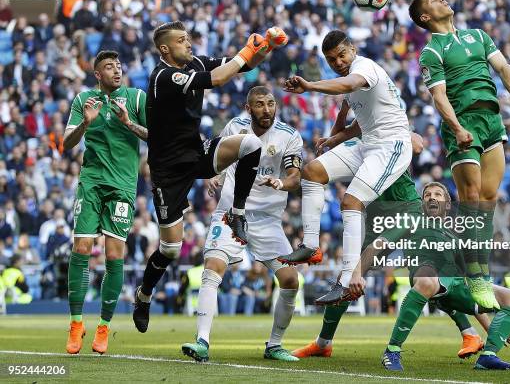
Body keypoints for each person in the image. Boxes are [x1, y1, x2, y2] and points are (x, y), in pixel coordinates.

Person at [291, 106, 491, 363]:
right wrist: (342, 113)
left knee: (426, 272)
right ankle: (323, 343)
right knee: (352, 274)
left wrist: (403, 132)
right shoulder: (355, 147)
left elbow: (417, 145)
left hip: (408, 210)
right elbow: (335, 140)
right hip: (378, 217)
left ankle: (469, 332)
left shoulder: (390, 136)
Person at [132, 21, 288, 332]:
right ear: (165, 48)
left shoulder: (194, 62)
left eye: (188, 38)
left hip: (196, 152)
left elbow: (241, 66)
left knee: (251, 144)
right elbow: (218, 78)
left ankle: (238, 213)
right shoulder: (163, 75)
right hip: (168, 170)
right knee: (171, 249)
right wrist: (248, 50)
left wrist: (265, 47)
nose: (188, 44)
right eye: (181, 40)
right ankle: (144, 294)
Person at [409, 0, 510, 310]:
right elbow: (439, 96)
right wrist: (457, 127)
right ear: (425, 17)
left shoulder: (478, 35)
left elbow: (504, 69)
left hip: (492, 119)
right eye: (434, 0)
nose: (443, 0)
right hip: (462, 123)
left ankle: (478, 271)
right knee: (471, 197)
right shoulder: (431, 52)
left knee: (489, 199)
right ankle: (476, 275)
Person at [279, 30, 413, 305]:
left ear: (352, 49)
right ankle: (312, 246)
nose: (338, 61)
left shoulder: (364, 67)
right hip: (368, 142)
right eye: (331, 59)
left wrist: (311, 86)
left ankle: (347, 281)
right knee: (312, 171)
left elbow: (347, 85)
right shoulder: (350, 81)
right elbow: (358, 120)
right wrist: (336, 136)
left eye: (341, 55)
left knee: (351, 201)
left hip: (392, 145)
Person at [182, 86, 303, 363]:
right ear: (249, 109)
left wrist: (282, 182)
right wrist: (216, 175)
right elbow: (220, 158)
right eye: (259, 104)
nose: (267, 109)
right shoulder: (235, 126)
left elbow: (296, 177)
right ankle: (202, 341)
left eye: (271, 103)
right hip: (230, 212)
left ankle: (274, 345)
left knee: (290, 280)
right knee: (213, 267)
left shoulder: (289, 135)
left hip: (268, 220)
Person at [378, 182, 510, 371]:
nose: (432, 197)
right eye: (427, 195)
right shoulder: (413, 222)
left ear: (447, 204)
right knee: (428, 281)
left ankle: (488, 356)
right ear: (422, 204)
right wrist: (358, 271)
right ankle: (392, 350)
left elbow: (470, 284)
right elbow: (382, 243)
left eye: (438, 194)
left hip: (456, 287)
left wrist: (489, 326)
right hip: (427, 278)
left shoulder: (455, 237)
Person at [63, 50, 148, 355]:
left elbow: (158, 136)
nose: (116, 70)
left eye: (119, 65)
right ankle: (76, 324)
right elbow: (66, 142)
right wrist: (85, 124)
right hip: (92, 183)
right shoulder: (84, 99)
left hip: (123, 187)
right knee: (81, 248)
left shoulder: (136, 98)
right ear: (97, 74)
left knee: (114, 255)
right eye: (109, 67)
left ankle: (103, 327)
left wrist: (128, 123)